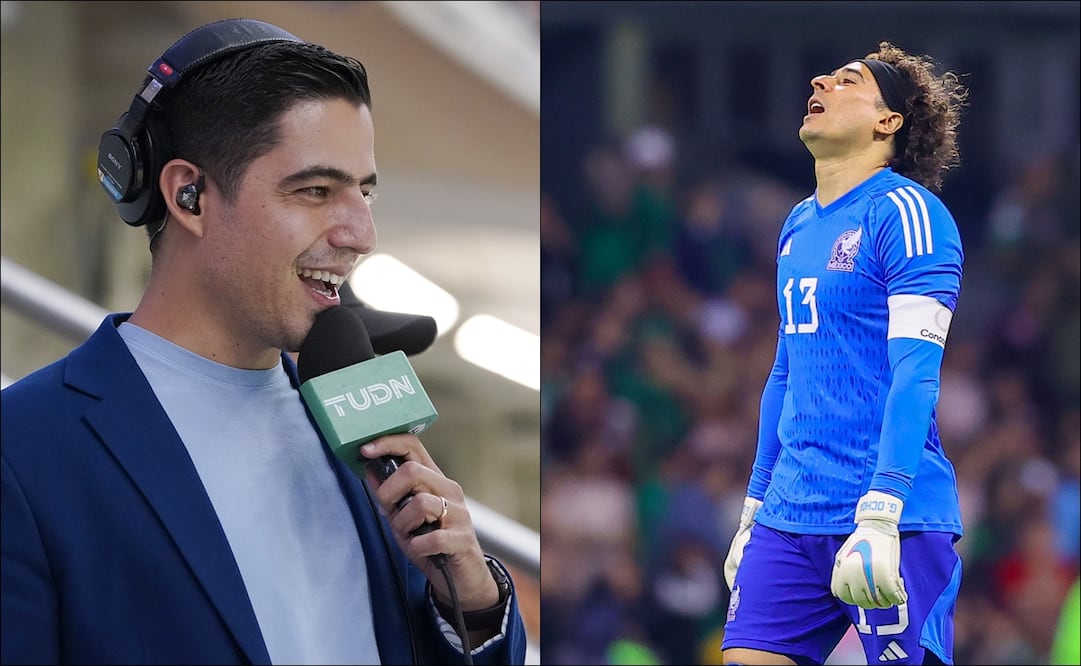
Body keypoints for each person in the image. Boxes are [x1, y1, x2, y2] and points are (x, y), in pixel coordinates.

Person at [0, 18, 526, 666]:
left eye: (363, 192)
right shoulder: (24, 451)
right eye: (315, 190)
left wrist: (469, 604)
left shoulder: (356, 424)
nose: (361, 232)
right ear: (189, 196)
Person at [720, 41, 969, 665]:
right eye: (824, 76)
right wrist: (755, 502)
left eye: (848, 80)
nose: (820, 81)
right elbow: (785, 370)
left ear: (889, 121)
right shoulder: (798, 224)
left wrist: (883, 510)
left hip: (890, 517)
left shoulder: (909, 214)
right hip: (791, 513)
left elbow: (917, 372)